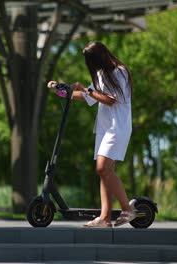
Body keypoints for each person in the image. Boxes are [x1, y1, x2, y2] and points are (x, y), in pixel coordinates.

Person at [47, 41, 136, 228]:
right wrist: (61, 91)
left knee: (103, 169)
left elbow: (110, 100)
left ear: (99, 57)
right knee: (105, 172)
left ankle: (127, 209)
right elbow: (86, 97)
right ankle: (105, 218)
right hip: (104, 129)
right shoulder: (101, 74)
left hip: (117, 127)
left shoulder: (119, 72)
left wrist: (86, 89)